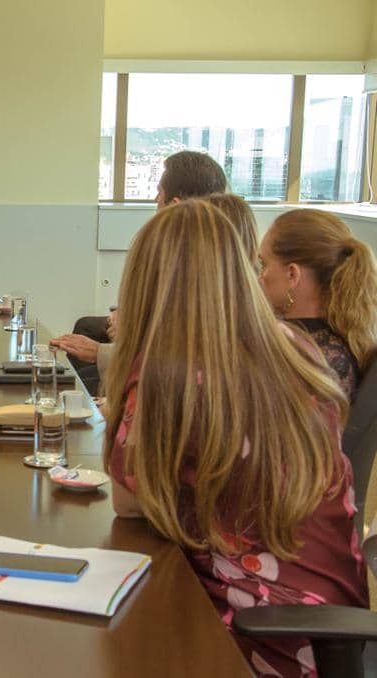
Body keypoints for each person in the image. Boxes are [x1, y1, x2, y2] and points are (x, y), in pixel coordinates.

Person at [104, 199, 365, 676]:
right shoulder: (299, 347)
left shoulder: (166, 374)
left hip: (260, 631)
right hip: (331, 603)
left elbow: (130, 503)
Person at [53, 151, 229, 393]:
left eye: (159, 193)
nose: (155, 199)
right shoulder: (212, 249)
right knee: (85, 328)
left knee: (72, 379)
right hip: (155, 355)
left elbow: (174, 343)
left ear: (175, 206)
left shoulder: (193, 263)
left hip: (164, 377)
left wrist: (119, 336)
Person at [258, 208, 377, 400]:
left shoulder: (292, 352)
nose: (259, 277)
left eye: (264, 265)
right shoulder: (346, 342)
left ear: (292, 275)